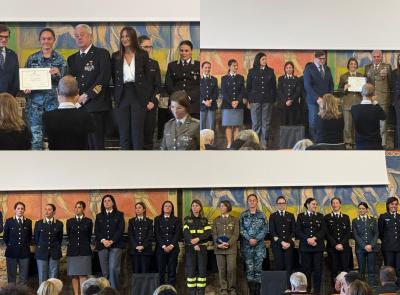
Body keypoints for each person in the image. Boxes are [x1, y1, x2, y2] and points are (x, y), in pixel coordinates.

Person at [67, 24, 111, 150]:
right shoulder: (71, 59)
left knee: (96, 145)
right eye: (76, 36)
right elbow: (71, 81)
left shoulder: (102, 54)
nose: (79, 38)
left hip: (96, 106)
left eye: (82, 35)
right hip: (78, 107)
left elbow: (103, 79)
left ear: (90, 36)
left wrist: (88, 95)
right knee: (82, 145)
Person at [24, 27, 66, 150]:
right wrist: (26, 88)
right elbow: (25, 80)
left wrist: (59, 74)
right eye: (43, 39)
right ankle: (36, 166)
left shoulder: (61, 60)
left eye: (49, 39)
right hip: (34, 107)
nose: (46, 41)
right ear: (40, 40)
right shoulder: (32, 59)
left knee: (55, 138)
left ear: (54, 40)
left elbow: (67, 84)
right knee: (36, 139)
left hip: (53, 105)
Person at [111, 27, 151, 150]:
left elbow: (147, 78)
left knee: (137, 132)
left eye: (127, 36)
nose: (124, 39)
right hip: (122, 95)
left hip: (138, 96)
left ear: (133, 37)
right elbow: (114, 76)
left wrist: (147, 98)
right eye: (122, 36)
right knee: (124, 133)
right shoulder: (116, 56)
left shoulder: (143, 54)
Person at [43, 75, 96, 150]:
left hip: (56, 160)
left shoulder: (47, 116)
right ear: (77, 92)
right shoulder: (86, 116)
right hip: (80, 159)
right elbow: (92, 129)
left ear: (57, 91)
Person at [246, 52, 277, 148]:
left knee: (266, 123)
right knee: (255, 123)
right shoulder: (252, 71)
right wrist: (248, 100)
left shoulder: (270, 71)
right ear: (258, 60)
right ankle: (255, 143)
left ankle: (264, 144)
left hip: (267, 101)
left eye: (265, 59)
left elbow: (273, 87)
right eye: (263, 59)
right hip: (255, 101)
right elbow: (248, 87)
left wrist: (272, 98)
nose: (265, 61)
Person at [295, 197, 326, 293]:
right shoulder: (300, 216)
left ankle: (317, 291)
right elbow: (298, 231)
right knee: (306, 271)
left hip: (318, 247)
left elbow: (323, 230)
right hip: (305, 248)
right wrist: (307, 239)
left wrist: (314, 238)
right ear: (307, 205)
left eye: (316, 204)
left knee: (318, 271)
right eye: (313, 204)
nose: (315, 206)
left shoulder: (320, 216)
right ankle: (307, 291)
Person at [95, 195, 125, 289]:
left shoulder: (119, 214)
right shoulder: (99, 216)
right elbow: (97, 231)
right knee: (105, 271)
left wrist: (111, 241)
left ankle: (114, 291)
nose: (107, 202)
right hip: (102, 246)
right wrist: (104, 240)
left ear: (113, 202)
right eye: (105, 201)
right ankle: (106, 290)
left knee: (113, 269)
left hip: (115, 245)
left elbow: (120, 230)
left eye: (109, 201)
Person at [240, 194, 268, 295]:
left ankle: (258, 292)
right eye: (250, 200)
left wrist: (256, 239)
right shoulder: (243, 215)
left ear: (257, 202)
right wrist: (249, 239)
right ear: (248, 202)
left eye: (254, 200)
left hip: (259, 248)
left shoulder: (262, 215)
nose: (252, 202)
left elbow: (265, 229)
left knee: (258, 270)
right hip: (247, 248)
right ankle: (251, 292)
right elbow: (241, 229)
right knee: (249, 270)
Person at [303, 50, 334, 141]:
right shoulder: (309, 68)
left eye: (324, 58)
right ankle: (314, 142)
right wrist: (318, 98)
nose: (322, 60)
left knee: (325, 122)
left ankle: (323, 141)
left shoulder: (327, 68)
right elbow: (307, 86)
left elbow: (331, 84)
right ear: (315, 58)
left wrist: (329, 97)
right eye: (320, 59)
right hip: (314, 101)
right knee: (313, 123)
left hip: (326, 101)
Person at [165, 40, 200, 119]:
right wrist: (178, 98)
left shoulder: (198, 66)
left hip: (193, 104)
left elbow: (200, 85)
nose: (183, 53)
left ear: (191, 51)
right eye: (181, 50)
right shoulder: (172, 65)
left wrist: (189, 97)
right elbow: (169, 84)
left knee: (193, 129)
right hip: (176, 104)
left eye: (186, 51)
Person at [138, 35, 162, 150]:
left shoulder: (154, 64)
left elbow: (158, 86)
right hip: (136, 106)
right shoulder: (131, 64)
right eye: (145, 47)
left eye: (150, 47)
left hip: (150, 107)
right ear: (138, 47)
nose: (148, 49)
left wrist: (152, 102)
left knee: (148, 137)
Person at [183, 199, 211, 295]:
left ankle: (201, 292)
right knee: (191, 271)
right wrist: (194, 244)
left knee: (202, 271)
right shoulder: (187, 219)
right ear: (191, 207)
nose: (195, 207)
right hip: (190, 248)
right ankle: (192, 292)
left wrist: (198, 239)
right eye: (193, 205)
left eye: (197, 205)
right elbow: (186, 234)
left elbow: (208, 233)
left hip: (202, 248)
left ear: (200, 207)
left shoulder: (204, 220)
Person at [364, 50, 392, 148]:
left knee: (383, 123)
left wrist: (390, 99)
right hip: (370, 99)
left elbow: (390, 83)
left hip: (383, 99)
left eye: (378, 56)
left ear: (381, 57)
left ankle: (383, 143)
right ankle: (373, 142)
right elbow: (365, 83)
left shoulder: (387, 67)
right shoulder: (367, 67)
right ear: (372, 57)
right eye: (374, 56)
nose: (376, 58)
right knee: (371, 122)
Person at [212, 200, 239, 295]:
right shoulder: (216, 220)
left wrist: (228, 243)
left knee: (231, 269)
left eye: (223, 206)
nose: (221, 208)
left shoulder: (235, 219)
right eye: (220, 206)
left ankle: (232, 289)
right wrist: (218, 244)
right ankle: (223, 289)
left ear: (228, 207)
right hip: (219, 249)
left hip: (231, 249)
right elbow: (214, 234)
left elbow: (236, 234)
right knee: (221, 269)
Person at [66, 201, 93, 295]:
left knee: (83, 275)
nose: (77, 209)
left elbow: (88, 236)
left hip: (84, 251)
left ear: (83, 209)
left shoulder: (88, 221)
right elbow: (69, 236)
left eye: (79, 207)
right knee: (74, 275)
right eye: (76, 207)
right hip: (73, 251)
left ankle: (82, 294)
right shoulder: (69, 221)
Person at [3, 202, 32, 285]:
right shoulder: (9, 221)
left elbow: (29, 237)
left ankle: (23, 292)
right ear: (15, 210)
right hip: (11, 252)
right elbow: (5, 237)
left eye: (22, 208)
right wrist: (11, 246)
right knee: (11, 276)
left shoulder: (28, 222)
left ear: (24, 210)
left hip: (24, 252)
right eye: (18, 208)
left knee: (24, 276)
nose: (20, 210)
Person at [34, 204, 63, 285]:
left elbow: (59, 239)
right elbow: (36, 239)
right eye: (45, 209)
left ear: (54, 212)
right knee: (42, 275)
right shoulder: (39, 223)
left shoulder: (59, 224)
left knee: (53, 276)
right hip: (41, 252)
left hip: (54, 252)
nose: (46, 211)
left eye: (49, 209)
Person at [269, 196, 295, 287]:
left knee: (289, 268)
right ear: (277, 205)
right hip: (277, 246)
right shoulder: (273, 216)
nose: (281, 205)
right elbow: (272, 232)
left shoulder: (290, 215)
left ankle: (288, 288)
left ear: (285, 204)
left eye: (283, 203)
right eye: (279, 203)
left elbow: (293, 231)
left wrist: (288, 243)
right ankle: (280, 289)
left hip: (289, 246)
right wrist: (282, 242)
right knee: (279, 268)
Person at [324, 197, 351, 286]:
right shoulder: (327, 217)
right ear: (331, 205)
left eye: (337, 203)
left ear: (340, 204)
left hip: (344, 248)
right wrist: (335, 244)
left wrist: (341, 244)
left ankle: (346, 289)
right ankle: (334, 289)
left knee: (345, 269)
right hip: (332, 248)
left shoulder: (346, 217)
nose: (335, 205)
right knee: (333, 269)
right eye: (333, 203)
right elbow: (327, 233)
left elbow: (348, 233)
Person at [154, 201, 182, 286]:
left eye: (169, 206)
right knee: (161, 272)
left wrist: (171, 245)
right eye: (165, 206)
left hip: (173, 250)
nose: (167, 207)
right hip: (160, 250)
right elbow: (157, 234)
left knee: (172, 271)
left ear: (172, 208)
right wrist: (163, 246)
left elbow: (177, 234)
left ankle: (171, 290)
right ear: (163, 208)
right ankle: (161, 290)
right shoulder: (157, 219)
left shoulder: (177, 220)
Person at [351, 83, 386, 150]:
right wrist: (375, 102)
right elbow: (384, 116)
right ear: (374, 94)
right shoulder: (376, 108)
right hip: (375, 145)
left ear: (361, 93)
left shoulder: (354, 108)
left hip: (360, 145)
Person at [337, 58, 363, 149]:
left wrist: (363, 88)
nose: (353, 65)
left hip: (359, 104)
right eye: (351, 64)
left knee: (358, 125)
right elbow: (339, 91)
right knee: (347, 125)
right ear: (348, 65)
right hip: (347, 104)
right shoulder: (343, 76)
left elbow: (365, 92)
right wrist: (344, 88)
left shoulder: (361, 76)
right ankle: (348, 143)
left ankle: (356, 142)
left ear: (357, 65)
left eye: (355, 64)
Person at [352, 202, 378, 286]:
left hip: (371, 248)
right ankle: (361, 288)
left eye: (363, 208)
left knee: (371, 269)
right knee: (361, 270)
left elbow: (376, 233)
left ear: (367, 210)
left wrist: (371, 245)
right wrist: (364, 246)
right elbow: (355, 235)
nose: (361, 210)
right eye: (359, 208)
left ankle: (373, 287)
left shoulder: (373, 220)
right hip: (360, 249)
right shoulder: (355, 221)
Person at [221, 59, 246, 149]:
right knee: (228, 125)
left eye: (236, 65)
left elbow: (243, 91)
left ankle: (235, 144)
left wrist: (237, 101)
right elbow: (224, 92)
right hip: (227, 105)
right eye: (234, 65)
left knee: (236, 125)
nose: (236, 67)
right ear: (229, 66)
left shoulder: (241, 77)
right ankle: (229, 143)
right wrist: (231, 101)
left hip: (238, 105)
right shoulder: (224, 78)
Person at [378, 197, 400, 285]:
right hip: (388, 248)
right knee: (389, 268)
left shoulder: (399, 217)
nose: (394, 206)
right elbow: (380, 232)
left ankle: (399, 287)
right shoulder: (383, 217)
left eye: (396, 204)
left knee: (399, 268)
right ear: (388, 205)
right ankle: (390, 287)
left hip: (399, 247)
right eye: (392, 204)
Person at [128, 202, 154, 273]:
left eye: (139, 208)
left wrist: (143, 246)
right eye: (136, 208)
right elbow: (131, 235)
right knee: (136, 272)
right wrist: (136, 246)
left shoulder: (149, 221)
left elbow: (150, 236)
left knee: (145, 272)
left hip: (146, 251)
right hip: (134, 251)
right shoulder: (131, 221)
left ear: (144, 210)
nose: (137, 209)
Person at [277, 61, 302, 125]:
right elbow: (279, 91)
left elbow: (298, 91)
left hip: (293, 105)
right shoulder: (281, 79)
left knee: (292, 124)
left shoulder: (297, 79)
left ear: (293, 69)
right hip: (283, 105)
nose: (288, 69)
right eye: (287, 68)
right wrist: (286, 101)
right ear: (285, 69)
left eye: (290, 67)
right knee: (283, 124)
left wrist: (291, 100)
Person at [0, 24, 19, 96]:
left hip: (8, 100)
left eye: (6, 37)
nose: (4, 40)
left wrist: (10, 97)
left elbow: (16, 79)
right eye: (1, 37)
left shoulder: (13, 55)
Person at [200, 61, 218, 130]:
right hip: (201, 106)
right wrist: (204, 102)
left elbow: (216, 93)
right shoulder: (199, 79)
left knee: (211, 127)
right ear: (202, 68)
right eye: (206, 67)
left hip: (212, 106)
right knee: (202, 127)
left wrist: (210, 101)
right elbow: (197, 93)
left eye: (209, 68)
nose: (207, 69)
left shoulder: (214, 79)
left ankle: (211, 141)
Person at [391, 54, 400, 149]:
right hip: (398, 103)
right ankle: (398, 147)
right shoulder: (394, 73)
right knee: (398, 125)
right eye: (399, 58)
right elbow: (391, 87)